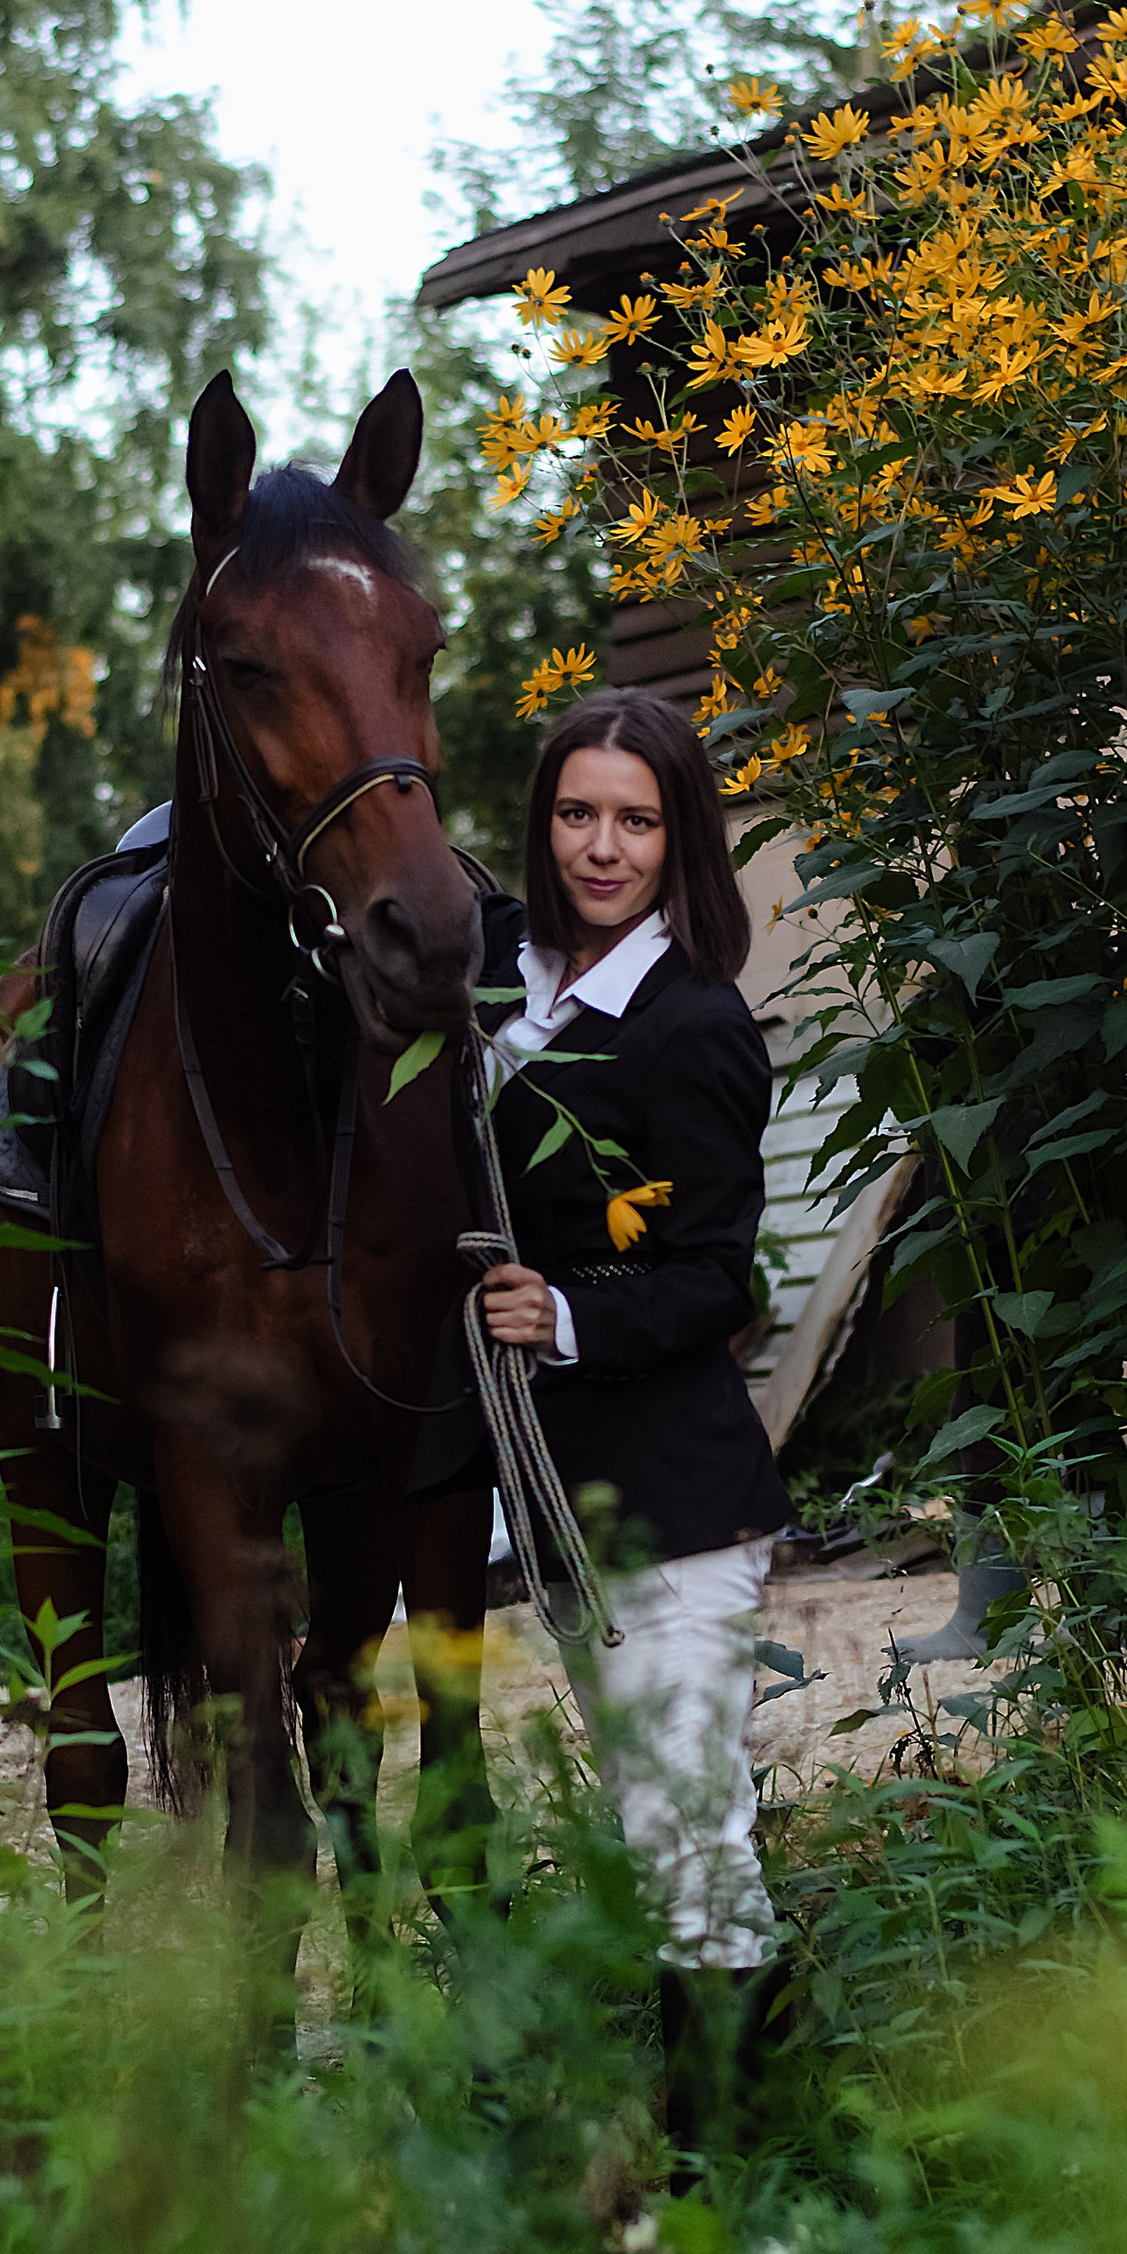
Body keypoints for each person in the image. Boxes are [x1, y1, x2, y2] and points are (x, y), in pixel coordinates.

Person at [467, 689, 794, 2158]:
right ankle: (722, 2159)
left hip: (678, 1503)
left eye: (637, 821)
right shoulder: (499, 980)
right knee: (657, 1827)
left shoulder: (695, 1026)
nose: (603, 847)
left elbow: (718, 1276)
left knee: (687, 1836)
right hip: (569, 1507)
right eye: (577, 813)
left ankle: (729, 2176)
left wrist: (567, 1315)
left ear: (681, 841)